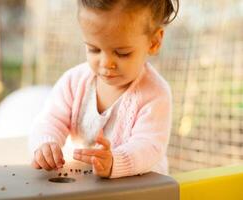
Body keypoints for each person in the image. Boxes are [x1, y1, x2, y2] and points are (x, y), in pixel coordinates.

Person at [29, 0, 179, 179]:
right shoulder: (73, 81)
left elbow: (149, 146)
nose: (106, 63)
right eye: (94, 49)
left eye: (122, 53)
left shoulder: (155, 93)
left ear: (154, 42)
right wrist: (46, 144)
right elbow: (50, 120)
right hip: (84, 184)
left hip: (139, 188)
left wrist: (115, 161)